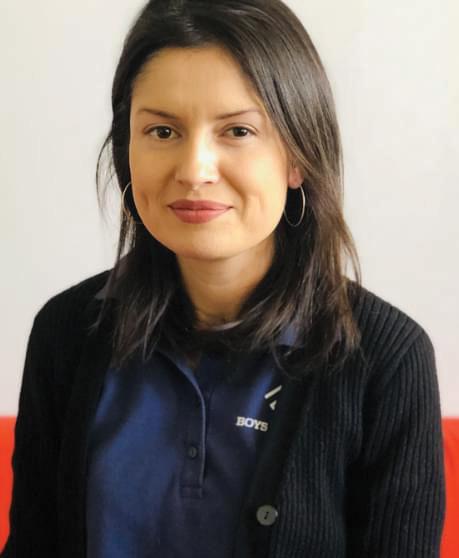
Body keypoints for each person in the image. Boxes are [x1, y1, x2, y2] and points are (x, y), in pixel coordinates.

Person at [2, 0, 446, 557]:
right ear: (126, 149)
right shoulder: (67, 333)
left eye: (237, 130)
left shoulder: (387, 358)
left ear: (297, 156)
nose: (194, 169)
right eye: (162, 130)